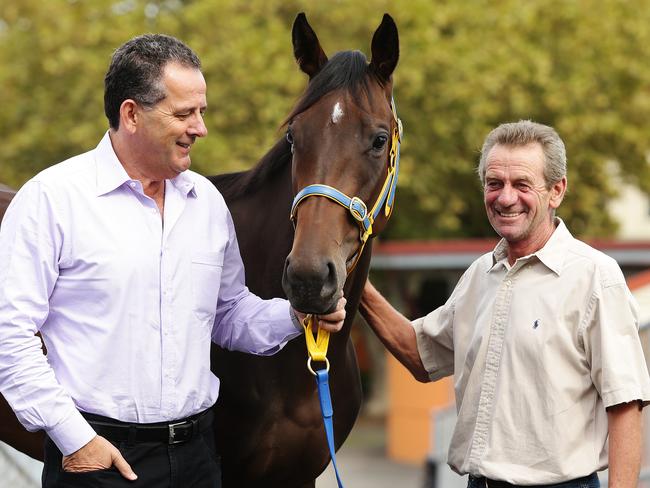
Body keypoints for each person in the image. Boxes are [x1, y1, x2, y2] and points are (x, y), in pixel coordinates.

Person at [0, 34, 345, 488]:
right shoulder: (52, 199)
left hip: (197, 456)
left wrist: (295, 315)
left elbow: (227, 313)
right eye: (184, 113)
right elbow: (10, 336)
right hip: (97, 457)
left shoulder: (206, 204)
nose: (200, 128)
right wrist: (74, 439)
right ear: (131, 115)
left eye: (201, 111)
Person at [360, 120, 650, 488]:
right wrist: (358, 287)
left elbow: (625, 406)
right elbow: (420, 355)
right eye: (494, 184)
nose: (506, 197)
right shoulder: (479, 276)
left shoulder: (595, 278)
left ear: (557, 190)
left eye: (522, 184)